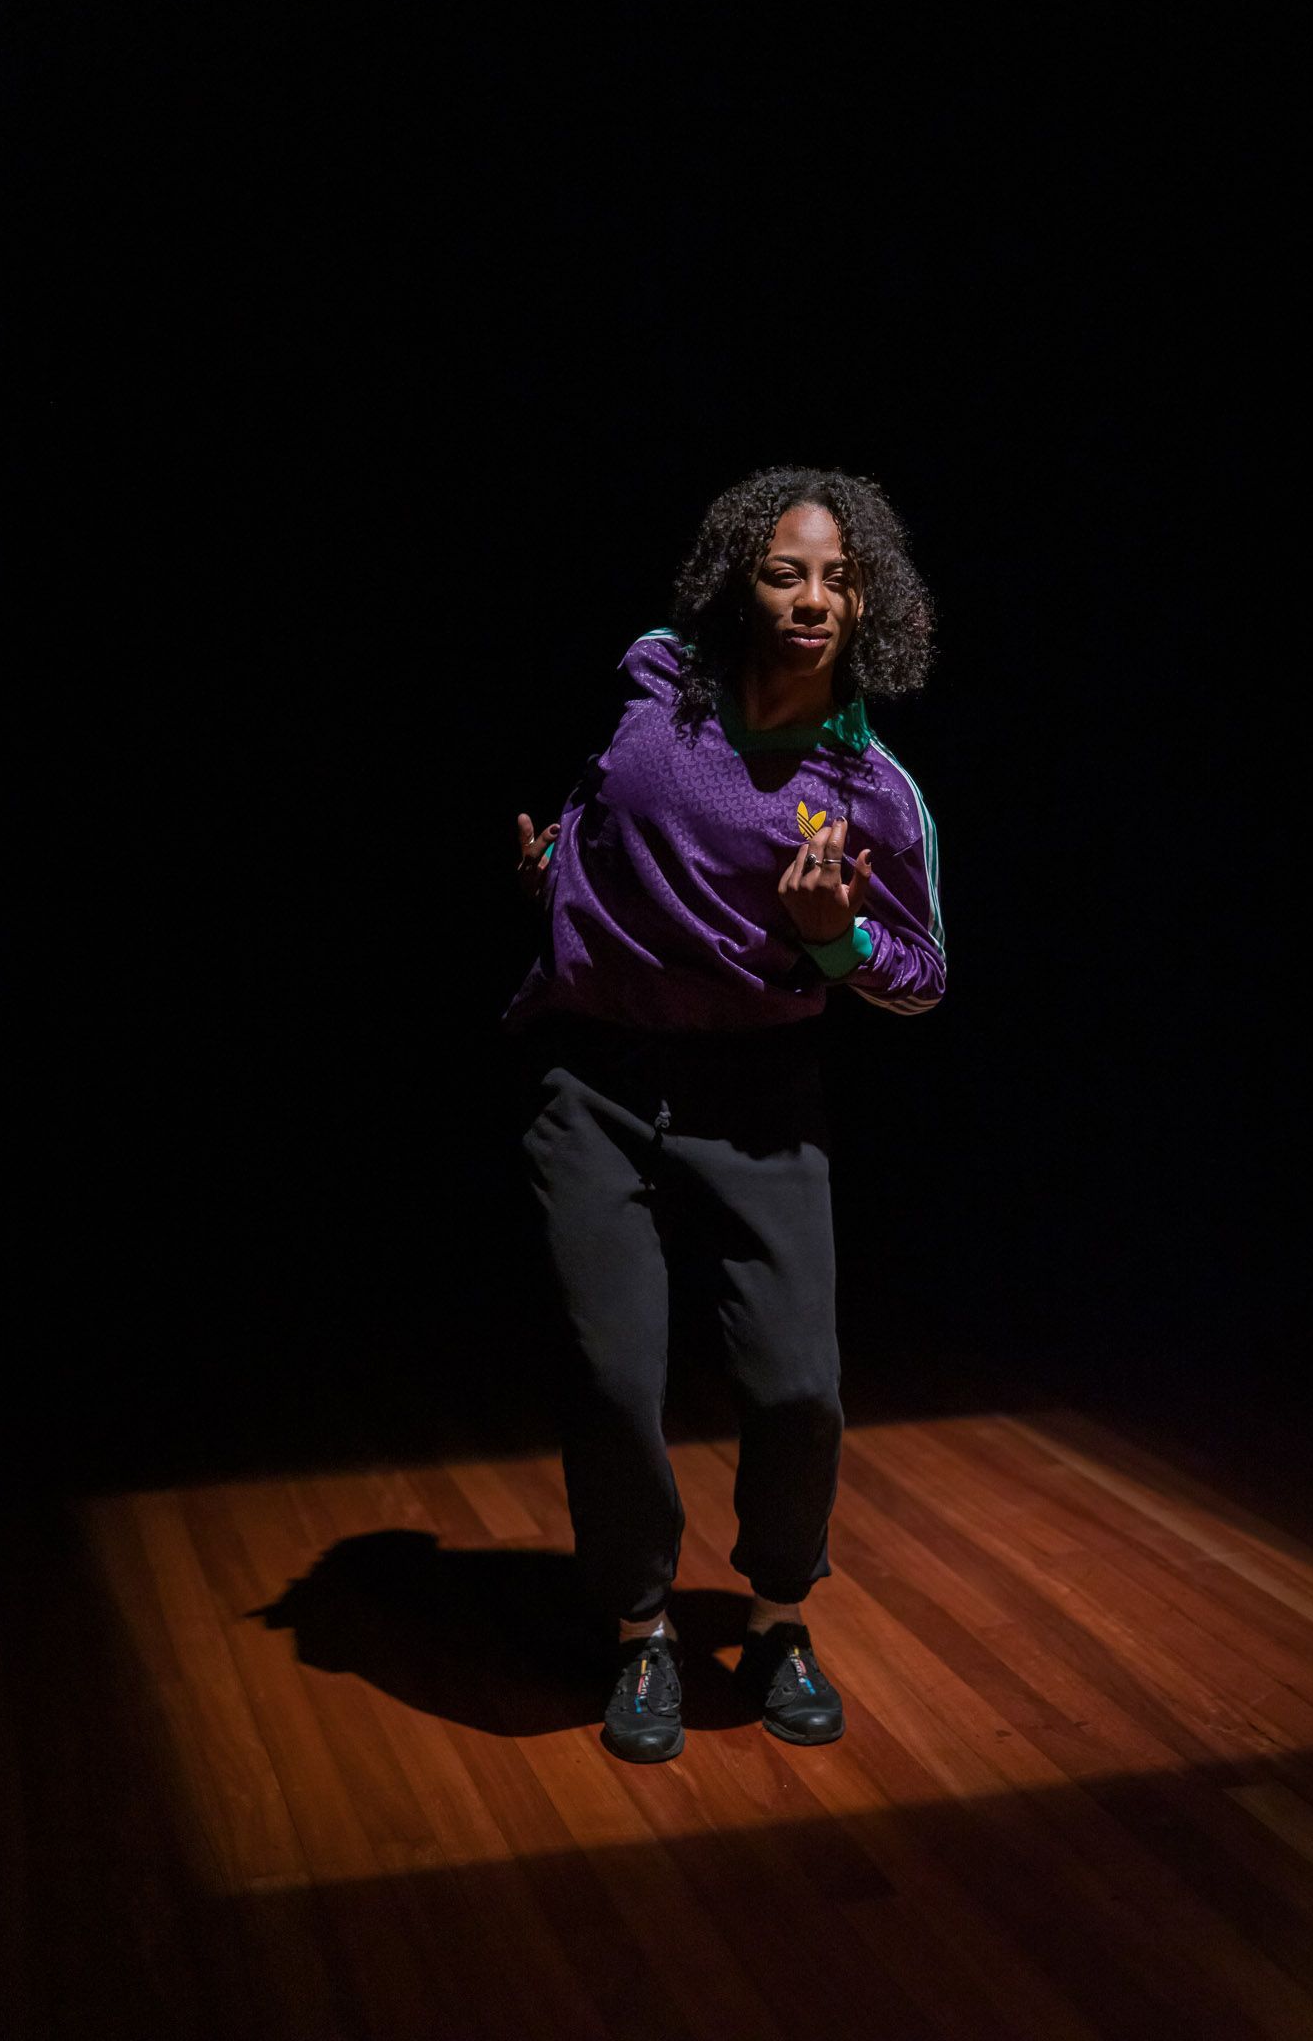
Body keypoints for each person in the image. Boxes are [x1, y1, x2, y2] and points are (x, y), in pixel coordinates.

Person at [506, 465, 945, 1763]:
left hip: (757, 1089)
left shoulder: (873, 790)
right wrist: (559, 877)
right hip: (591, 1075)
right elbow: (602, 798)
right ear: (736, 585)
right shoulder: (655, 675)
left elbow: (919, 977)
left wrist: (827, 938)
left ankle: (773, 1615)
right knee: (608, 1372)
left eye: (835, 576)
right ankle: (641, 1631)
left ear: (868, 600)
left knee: (799, 1385)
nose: (811, 597)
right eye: (784, 570)